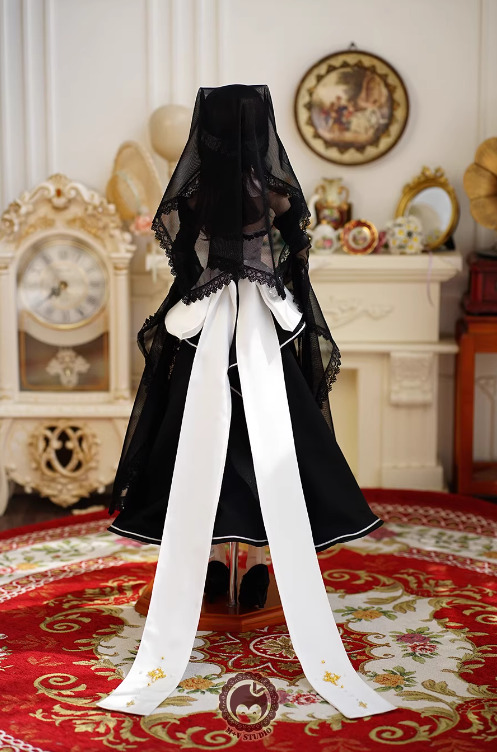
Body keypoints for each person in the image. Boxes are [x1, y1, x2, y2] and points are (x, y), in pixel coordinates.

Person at [97, 85, 395, 720]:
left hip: (219, 337)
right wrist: (267, 293)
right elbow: (287, 270)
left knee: (218, 450)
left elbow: (192, 267)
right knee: (256, 452)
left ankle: (230, 560)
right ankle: (242, 560)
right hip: (248, 337)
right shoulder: (276, 196)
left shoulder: (198, 196)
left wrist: (214, 293)